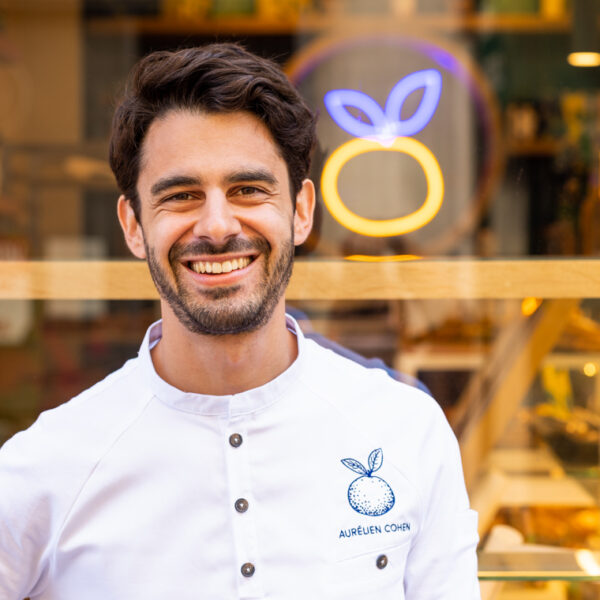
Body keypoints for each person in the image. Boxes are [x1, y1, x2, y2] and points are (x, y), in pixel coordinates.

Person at [0, 43, 479, 599]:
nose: (219, 225)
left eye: (247, 189)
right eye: (181, 196)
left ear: (301, 211)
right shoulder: (44, 467)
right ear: (133, 225)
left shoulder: (406, 431)